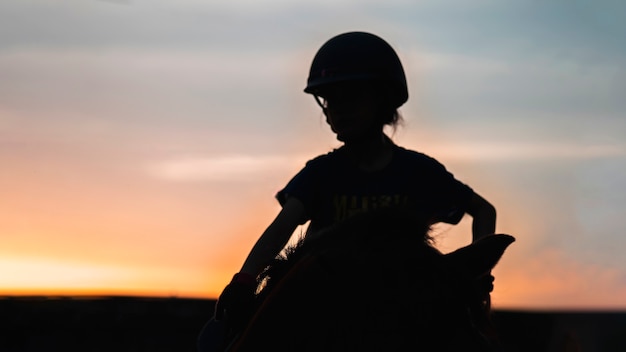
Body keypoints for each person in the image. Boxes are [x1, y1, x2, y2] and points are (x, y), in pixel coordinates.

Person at [200, 31, 497, 350]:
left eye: (350, 96)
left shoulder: (419, 172)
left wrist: (474, 276)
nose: (336, 109)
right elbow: (282, 227)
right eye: (329, 99)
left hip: (399, 308)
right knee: (216, 342)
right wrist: (244, 280)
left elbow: (483, 210)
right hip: (322, 304)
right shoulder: (322, 172)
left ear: (384, 100)